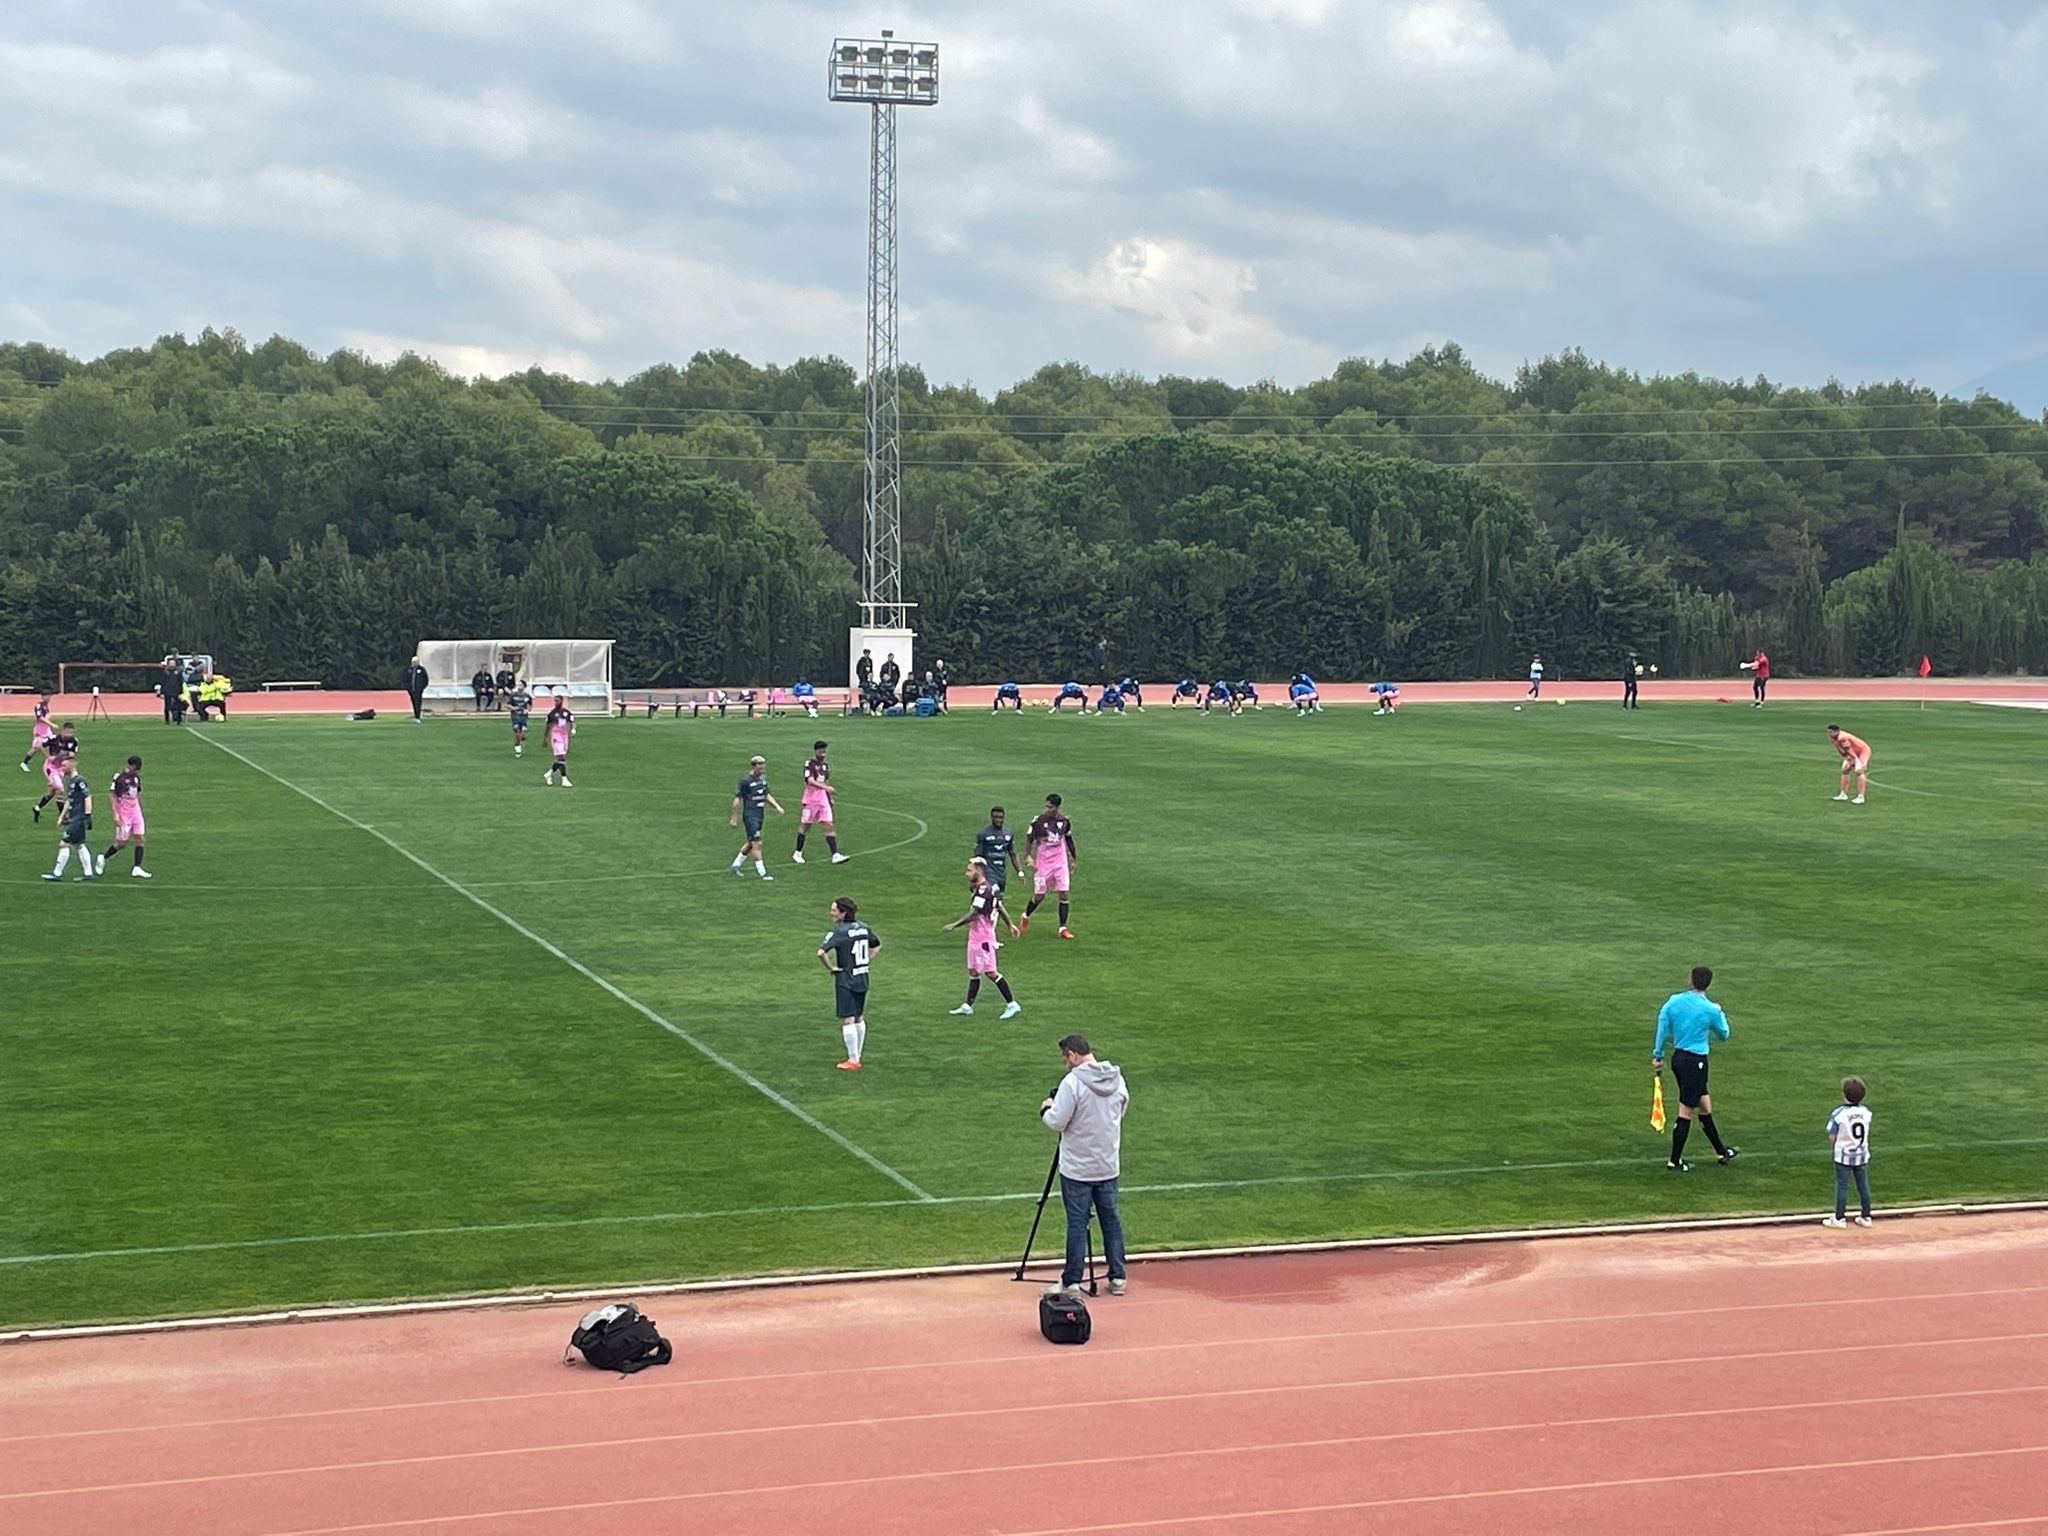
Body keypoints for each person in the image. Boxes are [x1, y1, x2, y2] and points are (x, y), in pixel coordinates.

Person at [1040, 1033, 1129, 1296]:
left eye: (1066, 1058)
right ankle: (1118, 1277)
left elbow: (1058, 1121)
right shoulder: (1117, 1079)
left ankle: (1072, 1282)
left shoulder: (1073, 1083)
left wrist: (1046, 1109)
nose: (1065, 1064)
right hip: (1107, 1163)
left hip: (1078, 1167)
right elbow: (1120, 1110)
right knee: (1111, 1220)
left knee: (1077, 1223)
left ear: (1073, 1055)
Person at [1651, 965, 1739, 1171]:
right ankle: (1675, 1160)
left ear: (1691, 980)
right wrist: (1720, 1012)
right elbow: (1724, 1035)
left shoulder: (1674, 1001)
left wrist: (1658, 1054)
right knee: (1686, 1111)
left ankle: (1721, 1152)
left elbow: (1662, 1024)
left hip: (1680, 1060)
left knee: (1705, 1106)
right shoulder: (1710, 1009)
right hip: (1696, 1063)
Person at [944, 857, 1022, 1018]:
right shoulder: (982, 888)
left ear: (979, 870)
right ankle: (968, 1006)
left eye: (970, 870)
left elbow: (974, 914)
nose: (967, 873)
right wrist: (1010, 924)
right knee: (973, 970)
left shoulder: (984, 890)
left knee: (991, 972)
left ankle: (1012, 1004)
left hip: (983, 937)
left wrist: (954, 925)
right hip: (975, 936)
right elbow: (999, 906)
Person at [817, 897, 879, 1070]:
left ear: (843, 913)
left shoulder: (840, 931)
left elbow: (821, 953)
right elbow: (877, 945)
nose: (831, 913)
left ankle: (853, 1060)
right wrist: (867, 959)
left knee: (848, 1018)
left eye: (834, 910)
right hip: (862, 976)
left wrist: (831, 968)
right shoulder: (864, 927)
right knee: (859, 1016)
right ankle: (857, 1056)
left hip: (846, 978)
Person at [1019, 793, 1076, 940]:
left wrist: (1074, 859)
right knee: (1039, 895)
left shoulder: (1064, 821)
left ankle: (1062, 928)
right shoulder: (1039, 821)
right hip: (1043, 863)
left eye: (1050, 807)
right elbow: (1029, 839)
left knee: (1063, 893)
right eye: (1047, 806)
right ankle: (1025, 915)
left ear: (1057, 807)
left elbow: (1069, 840)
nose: (1047, 809)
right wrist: (1028, 856)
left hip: (1060, 862)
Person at [1822, 1076, 1874, 1228]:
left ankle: (1839, 1218)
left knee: (1842, 1186)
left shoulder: (1839, 1114)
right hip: (1861, 1154)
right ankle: (1866, 1216)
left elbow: (1832, 1136)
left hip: (1844, 1155)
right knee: (1863, 1185)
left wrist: (1836, 1147)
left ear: (1844, 1094)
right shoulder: (1866, 1112)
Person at [792, 740, 850, 864]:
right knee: (806, 826)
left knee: (829, 824)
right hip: (811, 800)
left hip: (822, 799)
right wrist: (826, 788)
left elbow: (826, 782)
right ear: (816, 751)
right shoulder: (810, 764)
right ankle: (798, 852)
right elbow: (810, 780)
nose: (823, 753)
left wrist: (829, 798)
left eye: (824, 750)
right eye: (821, 750)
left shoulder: (825, 766)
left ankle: (835, 854)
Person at [729, 755, 783, 880]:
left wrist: (777, 807)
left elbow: (766, 795)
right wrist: (734, 817)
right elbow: (737, 799)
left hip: (759, 816)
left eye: (763, 764)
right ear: (753, 766)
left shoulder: (763, 779)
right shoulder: (745, 781)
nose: (762, 767)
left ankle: (735, 865)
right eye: (760, 765)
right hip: (750, 816)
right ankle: (763, 873)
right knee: (757, 843)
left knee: (750, 843)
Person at [97, 754, 150, 878]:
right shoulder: (120, 778)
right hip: (124, 811)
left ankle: (137, 867)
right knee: (121, 842)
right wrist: (115, 814)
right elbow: (112, 795)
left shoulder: (136, 778)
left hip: (135, 809)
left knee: (140, 837)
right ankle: (103, 858)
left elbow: (137, 793)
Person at [41, 762, 94, 882]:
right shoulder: (71, 782)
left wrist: (88, 815)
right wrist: (61, 816)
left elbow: (87, 797)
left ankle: (57, 873)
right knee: (79, 844)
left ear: (72, 766)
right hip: (74, 817)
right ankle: (88, 873)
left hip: (78, 818)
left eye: (64, 766)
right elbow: (69, 801)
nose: (62, 768)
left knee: (64, 843)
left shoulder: (80, 781)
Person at [32, 721, 78, 823]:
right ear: (63, 731)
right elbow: (40, 745)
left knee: (52, 792)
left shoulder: (74, 741)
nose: (69, 735)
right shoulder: (54, 739)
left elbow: (73, 754)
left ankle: (37, 808)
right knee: (61, 790)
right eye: (68, 732)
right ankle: (63, 816)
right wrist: (48, 756)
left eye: (71, 733)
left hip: (61, 768)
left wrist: (70, 757)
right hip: (50, 768)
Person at [975, 806, 1017, 900]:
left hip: (1001, 873)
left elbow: (1012, 853)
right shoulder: (984, 834)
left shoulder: (1008, 833)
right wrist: (977, 876)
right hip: (988, 872)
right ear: (991, 818)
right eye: (996, 817)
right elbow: (978, 857)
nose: (999, 820)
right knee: (994, 894)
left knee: (998, 900)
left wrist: (1020, 872)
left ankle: (994, 914)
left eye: (1001, 817)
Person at [1828, 724, 1870, 803]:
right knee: (1845, 770)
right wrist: (1846, 758)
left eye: (1831, 732)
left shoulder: (1842, 738)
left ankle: (1861, 797)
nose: (1830, 734)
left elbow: (1849, 749)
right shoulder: (1833, 738)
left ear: (1837, 731)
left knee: (1859, 771)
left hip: (1862, 751)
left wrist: (1856, 760)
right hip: (1853, 753)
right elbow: (1840, 749)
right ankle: (1843, 794)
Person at [542, 694, 575, 786]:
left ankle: (548, 773)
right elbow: (548, 727)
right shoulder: (551, 714)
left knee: (561, 759)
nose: (556, 702)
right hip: (556, 736)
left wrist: (571, 730)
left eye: (557, 701)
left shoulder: (566, 712)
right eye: (555, 701)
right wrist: (545, 739)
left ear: (562, 701)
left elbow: (571, 722)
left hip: (564, 736)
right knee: (561, 757)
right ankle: (564, 779)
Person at [19, 692, 53, 769]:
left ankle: (49, 762)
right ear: (43, 696)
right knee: (36, 748)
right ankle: (24, 763)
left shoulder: (45, 705)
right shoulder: (39, 706)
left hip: (46, 729)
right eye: (48, 696)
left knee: (50, 743)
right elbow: (40, 718)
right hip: (40, 730)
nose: (49, 699)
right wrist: (51, 723)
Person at [506, 679, 533, 756]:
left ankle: (520, 740)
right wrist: (513, 708)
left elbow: (529, 707)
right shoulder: (513, 695)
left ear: (524, 686)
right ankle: (517, 748)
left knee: (523, 735)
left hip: (524, 718)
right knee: (517, 733)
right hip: (515, 717)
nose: (519, 686)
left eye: (520, 685)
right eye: (518, 685)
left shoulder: (527, 696)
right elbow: (507, 705)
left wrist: (527, 710)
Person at [404, 656, 429, 723]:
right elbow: (406, 679)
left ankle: (418, 715)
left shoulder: (422, 670)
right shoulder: (410, 670)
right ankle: (415, 714)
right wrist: (408, 688)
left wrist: (421, 687)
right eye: (413, 662)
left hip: (418, 690)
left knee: (418, 702)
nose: (414, 663)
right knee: (414, 703)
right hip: (411, 690)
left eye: (415, 662)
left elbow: (425, 679)